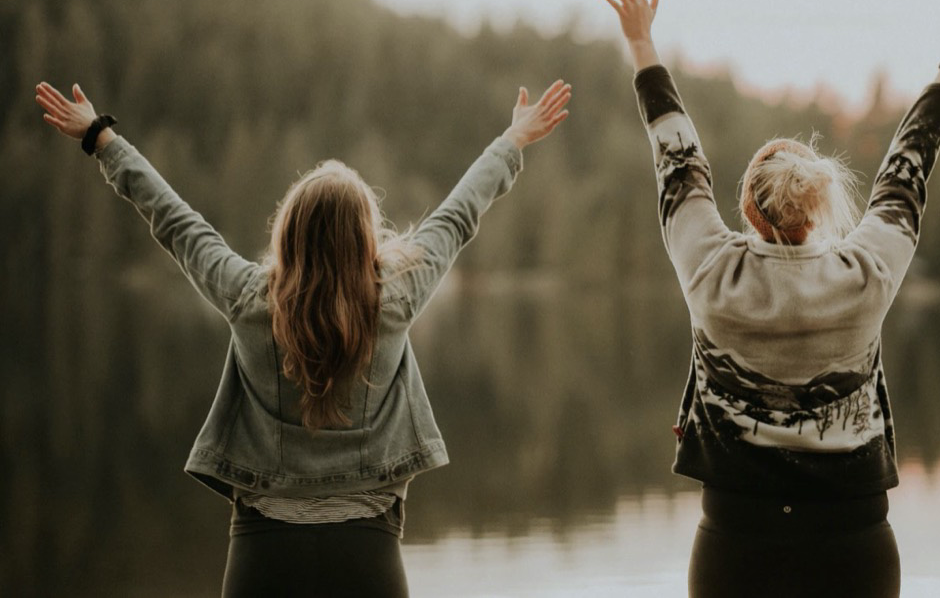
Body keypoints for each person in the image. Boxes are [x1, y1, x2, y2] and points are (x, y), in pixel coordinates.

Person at [34, 77, 571, 597]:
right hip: (368, 551)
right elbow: (457, 216)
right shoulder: (394, 301)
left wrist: (100, 138)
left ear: (287, 231)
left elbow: (176, 221)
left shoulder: (248, 298)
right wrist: (513, 139)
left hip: (262, 550)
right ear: (365, 236)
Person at [603, 0, 940, 597]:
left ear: (749, 211)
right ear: (817, 208)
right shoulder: (864, 274)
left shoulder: (712, 269)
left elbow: (676, 158)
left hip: (737, 537)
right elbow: (906, 173)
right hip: (854, 538)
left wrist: (642, 44)